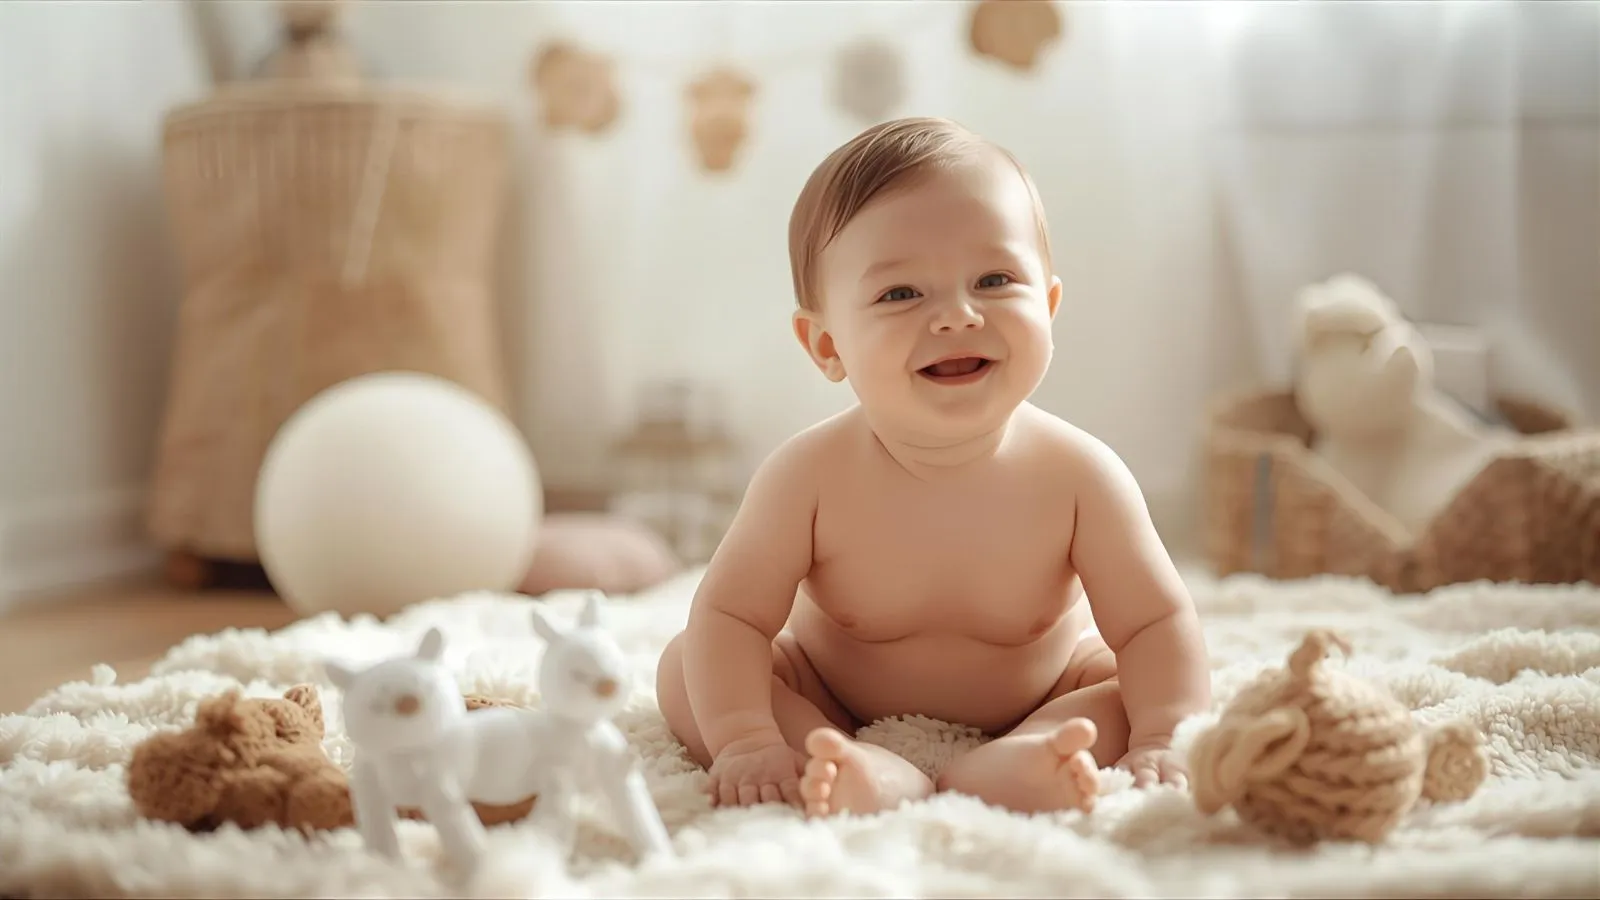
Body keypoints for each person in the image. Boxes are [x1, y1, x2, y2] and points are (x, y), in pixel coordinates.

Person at [655, 117, 1212, 817]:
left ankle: (1027, 758)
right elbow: (732, 615)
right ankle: (842, 762)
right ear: (827, 345)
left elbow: (1153, 623)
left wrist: (1163, 735)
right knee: (688, 667)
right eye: (900, 294)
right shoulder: (807, 477)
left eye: (994, 279)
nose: (956, 316)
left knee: (1134, 684)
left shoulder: (1082, 477)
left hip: (1045, 695)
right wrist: (743, 739)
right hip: (834, 697)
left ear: (1048, 305)